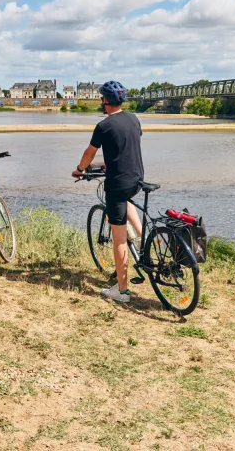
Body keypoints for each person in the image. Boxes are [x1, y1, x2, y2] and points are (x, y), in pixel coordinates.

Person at [72, 80, 144, 303]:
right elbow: (124, 145)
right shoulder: (134, 118)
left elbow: (89, 153)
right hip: (137, 178)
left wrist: (79, 170)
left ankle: (122, 292)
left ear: (104, 101)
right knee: (127, 200)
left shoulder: (103, 126)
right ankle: (144, 237)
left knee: (119, 239)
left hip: (117, 184)